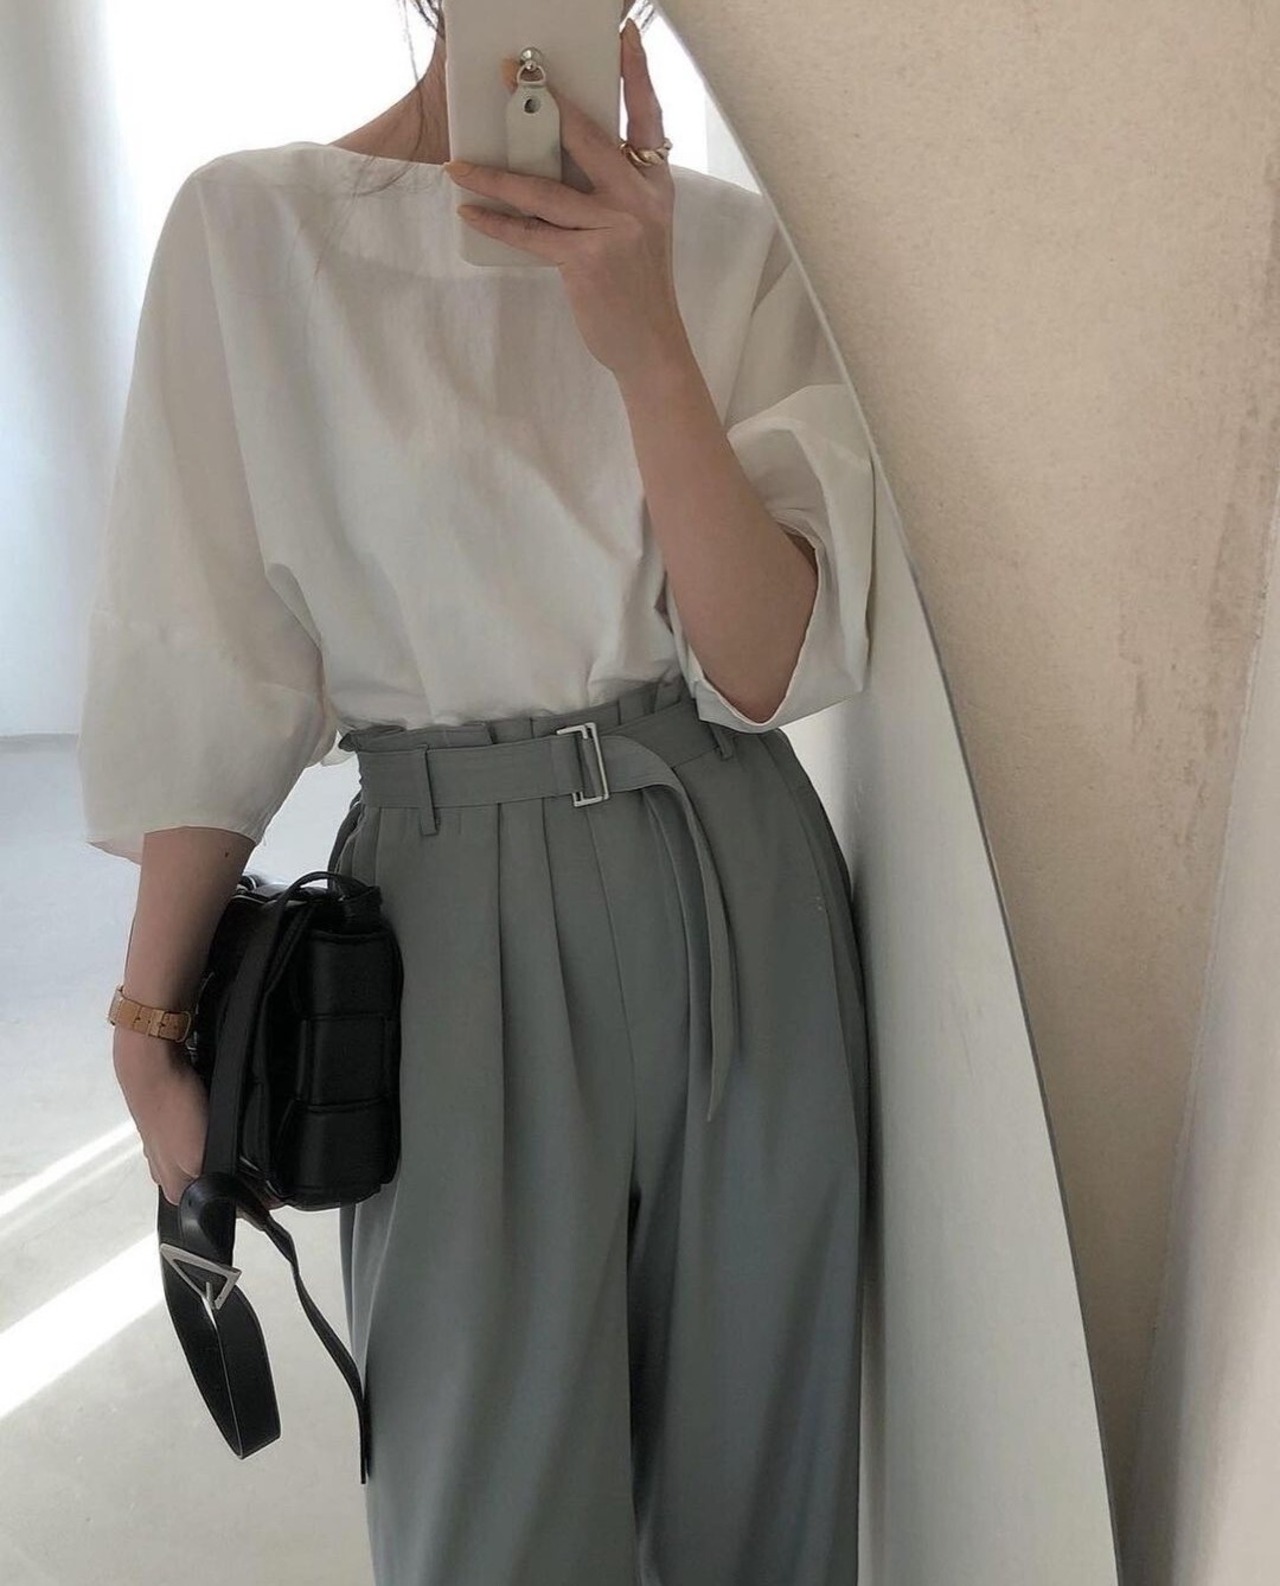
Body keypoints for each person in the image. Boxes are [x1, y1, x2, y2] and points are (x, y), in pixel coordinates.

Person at [78, 2, 874, 1581]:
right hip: (445, 912)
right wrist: (150, 1011)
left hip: (732, 878)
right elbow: (214, 655)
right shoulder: (256, 234)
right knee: (481, 1524)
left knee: (760, 1519)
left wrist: (647, 339)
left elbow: (769, 661)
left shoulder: (728, 249)